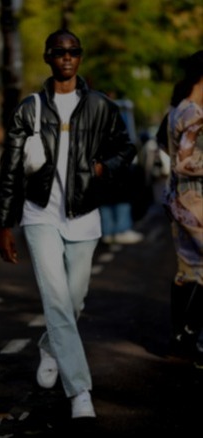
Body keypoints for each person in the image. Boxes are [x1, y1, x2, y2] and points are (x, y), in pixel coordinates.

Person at [0, 29, 135, 419]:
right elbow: (10, 171)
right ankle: (80, 391)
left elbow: (127, 148)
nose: (66, 57)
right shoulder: (30, 109)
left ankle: (50, 345)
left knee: (74, 300)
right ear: (48, 57)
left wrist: (105, 166)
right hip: (39, 214)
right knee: (56, 301)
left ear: (80, 58)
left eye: (73, 52)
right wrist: (5, 224)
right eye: (59, 52)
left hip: (85, 215)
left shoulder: (101, 107)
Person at [161, 50, 203, 363]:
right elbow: (186, 162)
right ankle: (190, 331)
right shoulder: (194, 113)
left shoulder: (178, 109)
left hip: (178, 199)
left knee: (189, 269)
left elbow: (167, 146)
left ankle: (180, 336)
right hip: (194, 199)